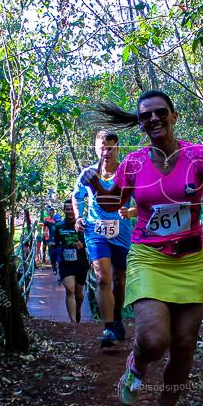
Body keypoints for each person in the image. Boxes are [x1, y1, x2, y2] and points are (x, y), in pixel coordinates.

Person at [80, 90, 203, 406]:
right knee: (155, 340)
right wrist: (94, 182)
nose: (153, 119)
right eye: (145, 116)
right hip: (148, 257)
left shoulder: (198, 157)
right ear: (141, 124)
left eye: (159, 113)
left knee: (184, 345)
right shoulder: (135, 163)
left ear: (173, 116)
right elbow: (112, 203)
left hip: (190, 259)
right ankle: (136, 367)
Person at [72, 130, 136, 347]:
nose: (106, 152)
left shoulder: (127, 172)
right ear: (95, 148)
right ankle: (108, 328)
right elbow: (77, 196)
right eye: (102, 147)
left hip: (122, 231)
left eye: (110, 147)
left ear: (117, 148)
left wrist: (131, 212)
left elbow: (141, 200)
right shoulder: (88, 174)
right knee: (103, 278)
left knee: (120, 279)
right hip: (95, 231)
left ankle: (117, 317)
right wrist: (79, 217)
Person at [55, 201, 89, 323]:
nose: (69, 212)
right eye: (67, 209)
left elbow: (91, 242)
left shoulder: (83, 225)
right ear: (63, 210)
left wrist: (83, 245)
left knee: (79, 294)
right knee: (70, 290)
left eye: (71, 209)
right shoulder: (59, 226)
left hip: (81, 262)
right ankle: (73, 322)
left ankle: (78, 309)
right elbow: (55, 243)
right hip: (66, 262)